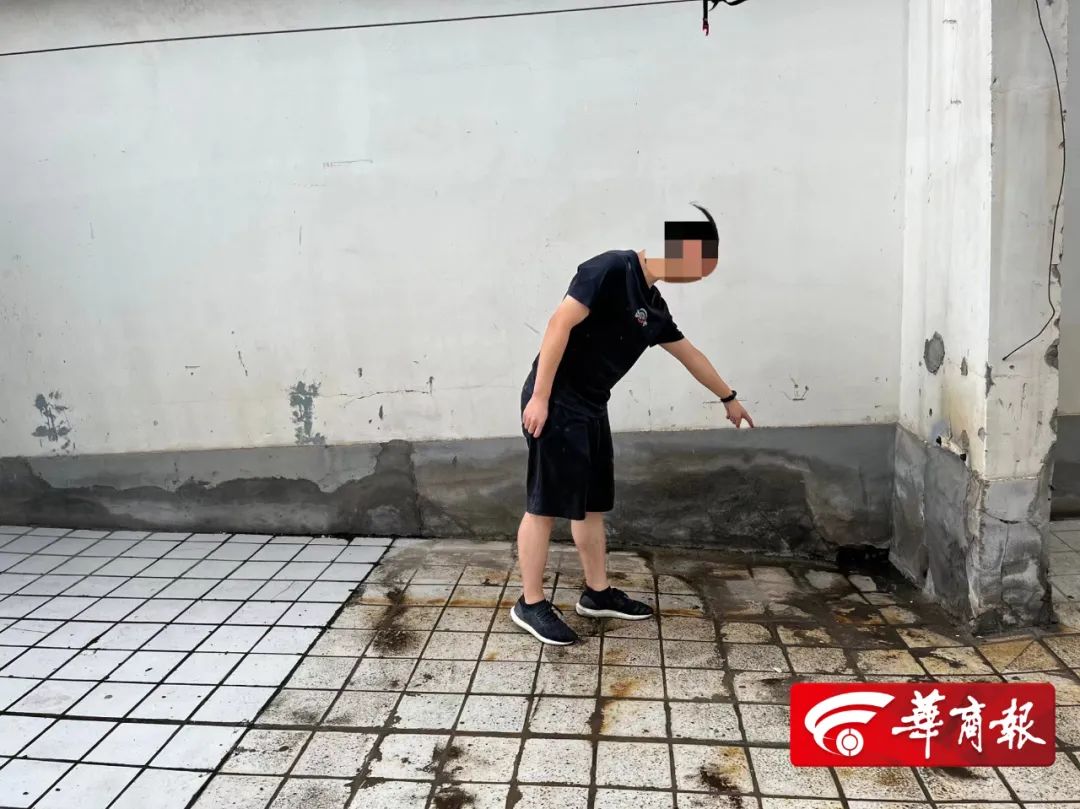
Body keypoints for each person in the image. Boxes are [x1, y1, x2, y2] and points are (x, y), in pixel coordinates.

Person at [511, 203, 754, 645]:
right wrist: (541, 396)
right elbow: (559, 324)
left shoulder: (654, 308)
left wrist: (728, 397)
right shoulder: (610, 268)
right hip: (557, 400)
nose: (698, 277)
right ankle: (530, 603)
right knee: (544, 504)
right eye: (700, 266)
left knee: (591, 505)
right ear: (679, 251)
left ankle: (597, 593)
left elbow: (690, 355)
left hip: (591, 406)